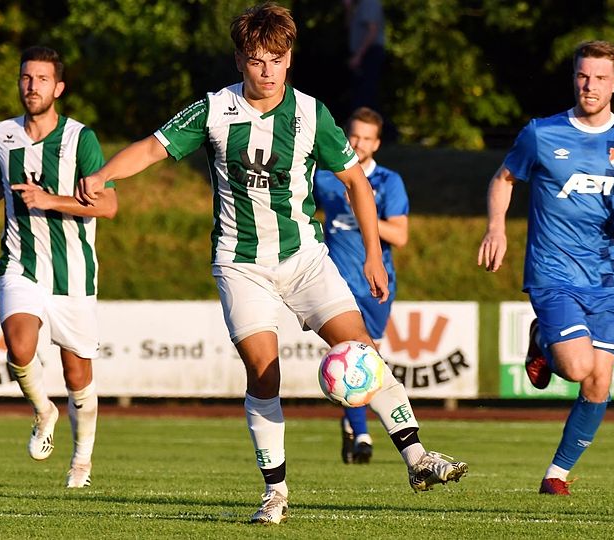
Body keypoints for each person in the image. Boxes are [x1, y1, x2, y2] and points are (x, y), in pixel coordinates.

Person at [76, 3, 466, 525]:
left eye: (276, 60)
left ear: (289, 59)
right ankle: (275, 492)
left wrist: (374, 254)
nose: (267, 71)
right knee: (264, 372)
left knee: (363, 354)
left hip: (304, 258)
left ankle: (418, 459)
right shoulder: (215, 110)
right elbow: (151, 148)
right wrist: (103, 175)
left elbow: (356, 182)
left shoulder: (312, 114)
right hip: (241, 264)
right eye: (257, 60)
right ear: (240, 60)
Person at [477, 40, 614, 496]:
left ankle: (557, 474)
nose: (590, 85)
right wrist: (496, 229)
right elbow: (504, 179)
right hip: (554, 272)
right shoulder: (541, 133)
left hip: (609, 279)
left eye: (600, 78)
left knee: (599, 383)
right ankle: (543, 340)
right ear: (574, 78)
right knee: (576, 367)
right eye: (583, 76)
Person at [0, 46, 117, 489]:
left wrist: (50, 200)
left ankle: (81, 462)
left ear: (59, 88)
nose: (32, 87)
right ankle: (43, 410)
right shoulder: (1, 133)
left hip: (73, 271)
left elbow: (108, 205)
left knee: (77, 374)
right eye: (26, 78)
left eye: (42, 79)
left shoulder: (80, 139)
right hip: (21, 262)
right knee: (19, 346)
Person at [313, 107, 409, 465]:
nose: (358, 143)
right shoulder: (324, 177)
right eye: (354, 135)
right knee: (349, 356)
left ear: (377, 143)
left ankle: (352, 426)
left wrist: (362, 211)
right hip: (335, 282)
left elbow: (400, 235)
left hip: (375, 283)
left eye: (367, 138)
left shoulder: (388, 182)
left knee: (370, 363)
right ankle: (362, 435)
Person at [344, 0, 385, 113]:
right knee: (359, 96)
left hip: (369, 54)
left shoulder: (369, 3)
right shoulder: (358, 4)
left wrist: (358, 55)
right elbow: (348, 26)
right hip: (362, 54)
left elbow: (372, 31)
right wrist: (348, 8)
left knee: (365, 97)